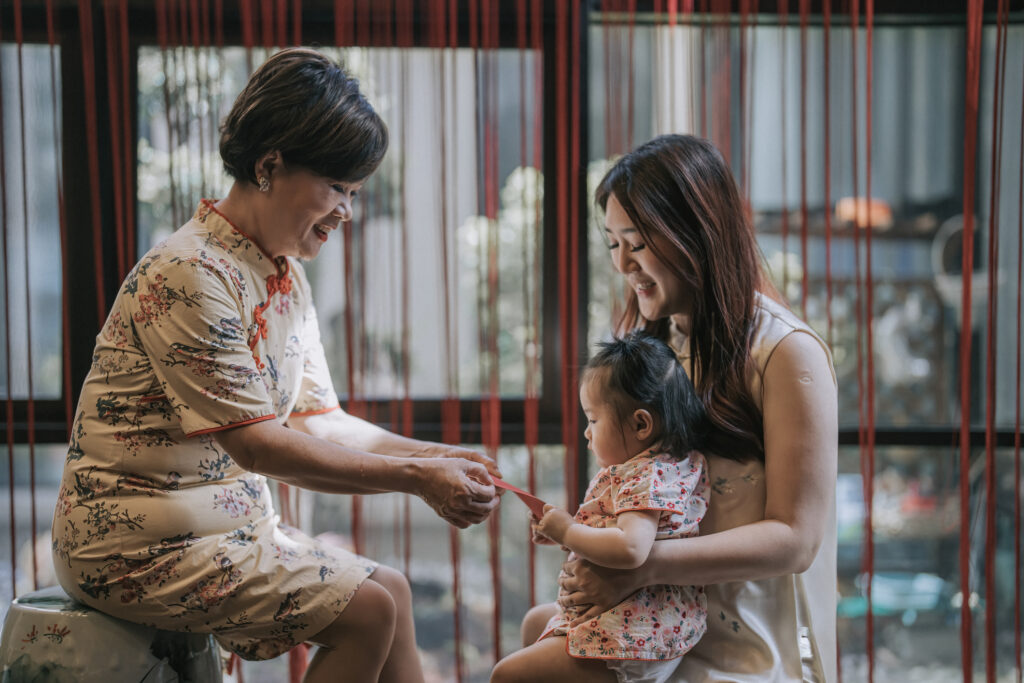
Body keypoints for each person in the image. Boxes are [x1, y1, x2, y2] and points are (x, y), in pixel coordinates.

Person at [51, 47, 499, 683]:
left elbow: (322, 422)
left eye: (356, 191)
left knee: (392, 592)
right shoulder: (189, 272)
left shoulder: (281, 276)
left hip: (224, 533)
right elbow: (258, 446)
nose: (347, 210)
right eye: (338, 187)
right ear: (269, 166)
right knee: (369, 610)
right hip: (132, 544)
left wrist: (436, 456)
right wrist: (417, 479)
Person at [517, 134, 839, 682]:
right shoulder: (653, 349)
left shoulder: (785, 353)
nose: (624, 266)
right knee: (534, 628)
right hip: (664, 618)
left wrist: (637, 568)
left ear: (695, 234)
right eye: (613, 245)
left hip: (750, 642)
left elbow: (795, 539)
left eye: (638, 244)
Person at [492, 331, 710, 683]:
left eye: (593, 420)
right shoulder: (664, 464)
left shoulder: (645, 474)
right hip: (646, 615)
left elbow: (630, 547)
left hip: (637, 627)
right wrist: (568, 538)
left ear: (641, 424)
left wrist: (568, 530)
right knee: (535, 621)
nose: (586, 434)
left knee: (507, 675)